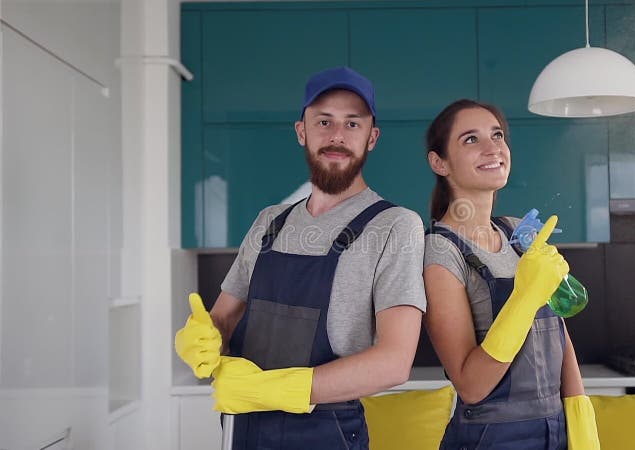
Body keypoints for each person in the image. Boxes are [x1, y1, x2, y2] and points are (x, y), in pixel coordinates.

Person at [174, 66, 427, 449]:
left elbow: (394, 362)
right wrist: (203, 338)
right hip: (242, 430)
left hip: (328, 434)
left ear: (372, 138)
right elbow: (223, 318)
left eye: (352, 124)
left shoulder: (395, 225)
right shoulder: (269, 222)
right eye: (323, 121)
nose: (337, 136)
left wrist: (276, 389)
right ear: (301, 131)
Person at [422, 99, 600, 449]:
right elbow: (471, 386)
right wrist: (525, 296)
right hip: (492, 437)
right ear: (439, 162)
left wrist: (581, 420)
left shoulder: (519, 234)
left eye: (497, 135)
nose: (493, 148)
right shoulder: (441, 251)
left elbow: (561, 337)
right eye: (471, 139)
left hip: (556, 430)